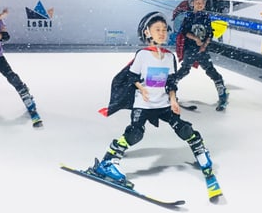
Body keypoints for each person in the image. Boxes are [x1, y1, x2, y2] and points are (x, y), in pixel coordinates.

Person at [91, 11, 216, 188]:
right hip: (144, 104)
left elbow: (171, 82)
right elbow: (131, 77)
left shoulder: (169, 57)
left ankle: (201, 152)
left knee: (184, 129)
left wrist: (173, 99)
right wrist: (141, 88)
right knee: (135, 133)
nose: (162, 32)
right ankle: (107, 162)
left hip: (163, 103)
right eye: (157, 29)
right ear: (147, 33)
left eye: (164, 29)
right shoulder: (142, 54)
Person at [172, 0, 229, 111]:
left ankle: (223, 94)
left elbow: (210, 33)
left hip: (202, 50)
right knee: (184, 69)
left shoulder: (206, 17)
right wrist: (195, 39)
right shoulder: (188, 17)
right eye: (197, 2)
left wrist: (205, 44)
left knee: (210, 70)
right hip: (190, 49)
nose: (200, 5)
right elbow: (184, 31)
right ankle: (171, 89)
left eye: (202, 3)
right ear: (192, 3)